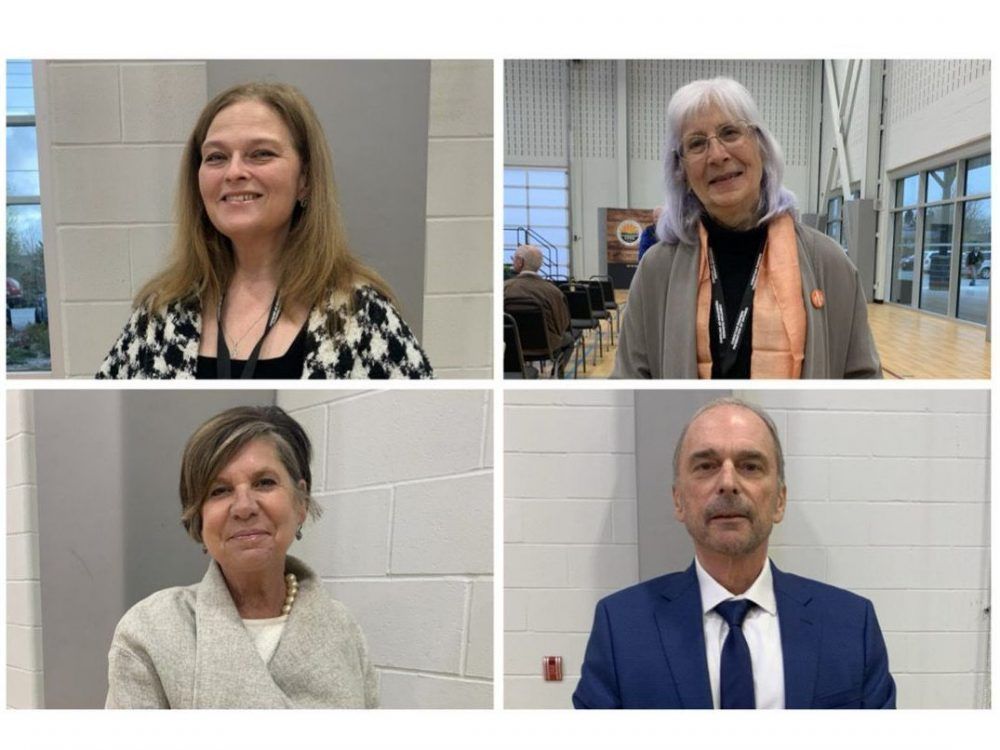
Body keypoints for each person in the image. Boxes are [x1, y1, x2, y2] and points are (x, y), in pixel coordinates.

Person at [573, 397, 895, 709]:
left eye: (750, 466)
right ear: (678, 501)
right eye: (706, 466)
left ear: (780, 501)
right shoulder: (621, 629)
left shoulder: (852, 626)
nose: (728, 482)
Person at [96, 82, 432, 379]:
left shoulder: (362, 317)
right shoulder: (159, 314)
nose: (234, 171)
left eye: (261, 154)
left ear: (304, 180)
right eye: (216, 157)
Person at [105, 406, 377, 708]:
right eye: (220, 491)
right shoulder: (149, 631)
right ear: (199, 518)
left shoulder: (343, 629)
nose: (244, 506)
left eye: (264, 483)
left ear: (300, 502)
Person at [613, 78, 881, 379]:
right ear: (682, 170)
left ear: (762, 147)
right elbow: (629, 383)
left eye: (730, 132)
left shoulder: (827, 262)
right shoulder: (657, 270)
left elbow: (863, 380)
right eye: (697, 143)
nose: (717, 155)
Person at [504, 244, 574, 369]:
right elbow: (562, 325)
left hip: (510, 346)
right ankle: (557, 375)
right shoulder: (553, 291)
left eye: (513, 258)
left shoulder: (504, 288)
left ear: (520, 261)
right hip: (546, 346)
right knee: (569, 340)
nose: (513, 261)